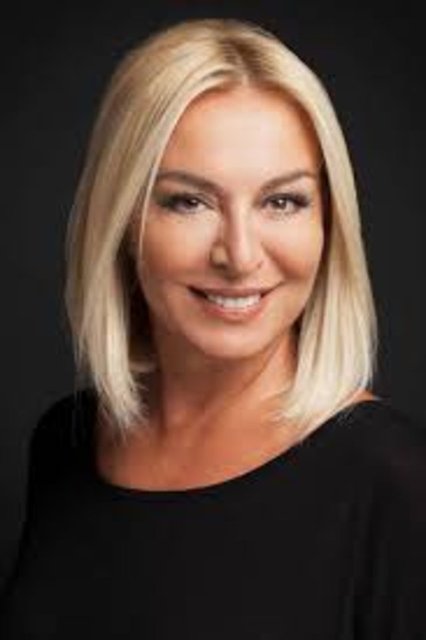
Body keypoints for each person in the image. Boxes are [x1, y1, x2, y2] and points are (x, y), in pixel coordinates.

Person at [1, 16, 425, 639]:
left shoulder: (393, 484)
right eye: (189, 201)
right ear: (121, 219)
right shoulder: (67, 443)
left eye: (282, 201)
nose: (240, 255)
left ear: (329, 224)